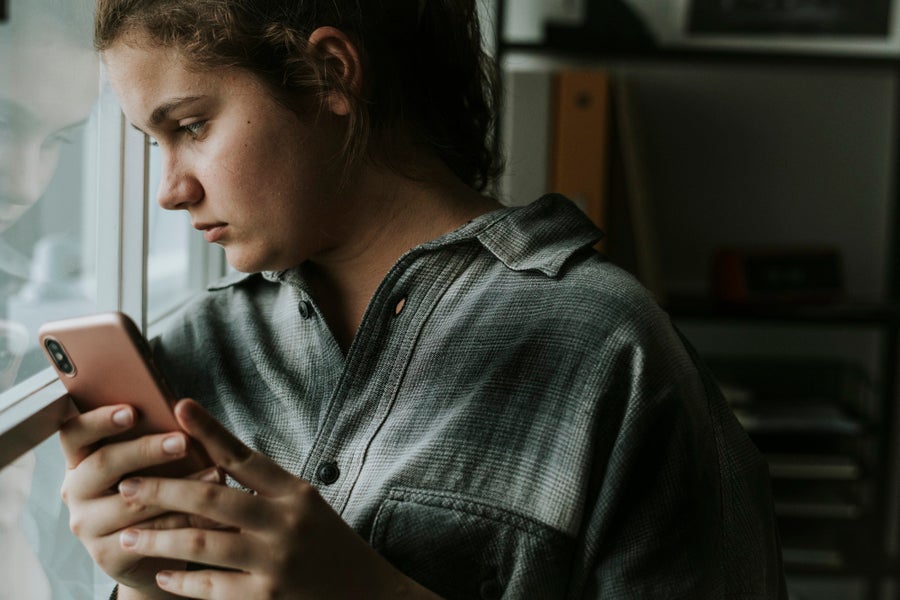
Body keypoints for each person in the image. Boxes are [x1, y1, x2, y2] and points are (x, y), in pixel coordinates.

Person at [59, 1, 788, 598]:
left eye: (189, 126)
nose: (169, 189)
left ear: (328, 73)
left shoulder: (611, 350)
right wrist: (151, 582)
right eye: (153, 141)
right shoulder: (193, 351)